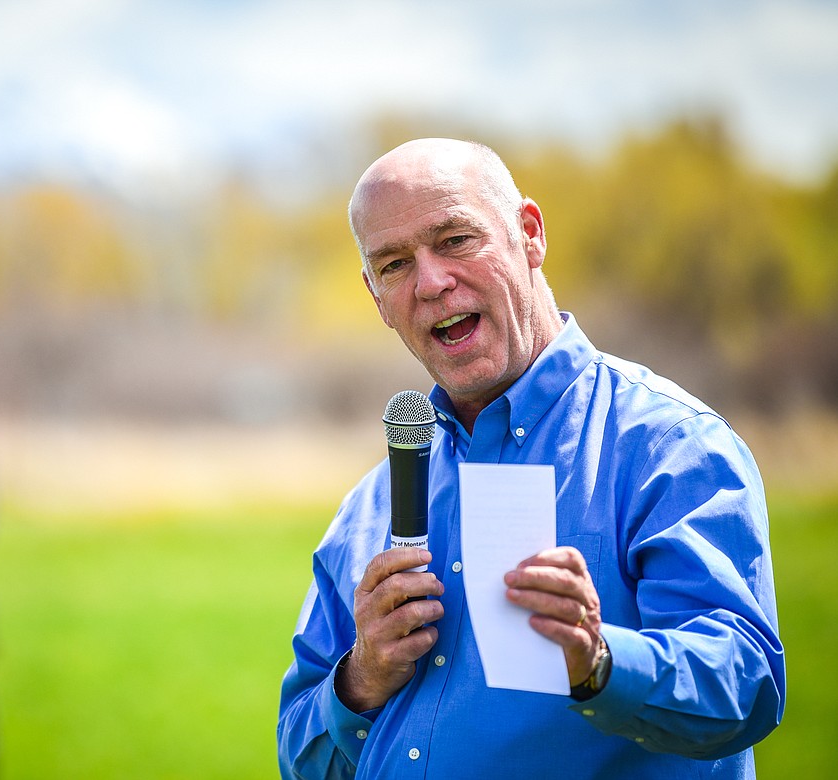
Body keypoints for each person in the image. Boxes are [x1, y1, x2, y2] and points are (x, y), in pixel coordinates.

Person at [277, 139, 784, 779]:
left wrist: (599, 661)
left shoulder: (669, 447)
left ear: (530, 233)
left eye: (456, 239)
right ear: (376, 297)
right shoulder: (369, 506)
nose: (431, 282)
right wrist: (360, 681)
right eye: (395, 264)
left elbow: (746, 692)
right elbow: (300, 758)